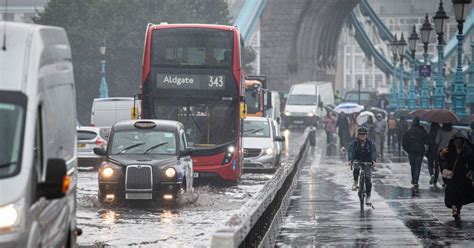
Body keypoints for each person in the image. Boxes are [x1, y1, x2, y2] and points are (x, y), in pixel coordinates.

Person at [439, 133, 474, 220]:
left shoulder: (467, 151)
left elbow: (472, 163)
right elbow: (442, 159)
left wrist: (470, 171)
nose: (457, 144)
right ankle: (454, 208)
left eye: (459, 142)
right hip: (452, 176)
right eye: (456, 142)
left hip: (462, 176)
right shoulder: (449, 150)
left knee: (460, 195)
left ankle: (457, 210)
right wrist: (441, 154)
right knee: (452, 193)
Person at [348, 127, 377, 204]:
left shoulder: (370, 143)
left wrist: (373, 160)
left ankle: (368, 197)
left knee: (368, 179)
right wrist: (350, 159)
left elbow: (373, 151)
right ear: (358, 135)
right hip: (358, 160)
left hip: (368, 161)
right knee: (356, 168)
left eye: (364, 134)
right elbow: (351, 151)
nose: (362, 136)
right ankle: (355, 182)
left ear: (366, 135)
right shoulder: (354, 143)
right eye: (360, 134)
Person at [402, 117, 428, 187]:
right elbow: (427, 140)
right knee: (418, 166)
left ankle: (414, 178)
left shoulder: (409, 131)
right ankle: (416, 179)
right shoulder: (422, 130)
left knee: (413, 165)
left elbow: (404, 142)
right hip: (420, 151)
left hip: (411, 152)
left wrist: (407, 150)